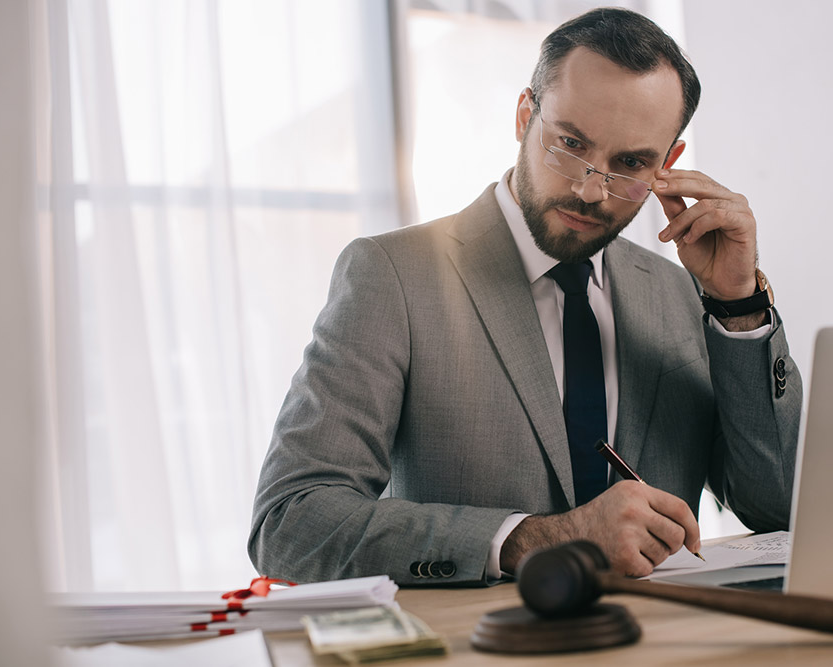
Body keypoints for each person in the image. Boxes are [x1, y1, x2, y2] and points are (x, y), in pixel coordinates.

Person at [249, 7, 802, 586]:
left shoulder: (685, 291)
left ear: (668, 164)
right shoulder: (391, 276)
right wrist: (535, 539)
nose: (590, 189)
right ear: (523, 115)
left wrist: (738, 305)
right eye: (570, 143)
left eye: (630, 163)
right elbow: (289, 523)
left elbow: (778, 510)